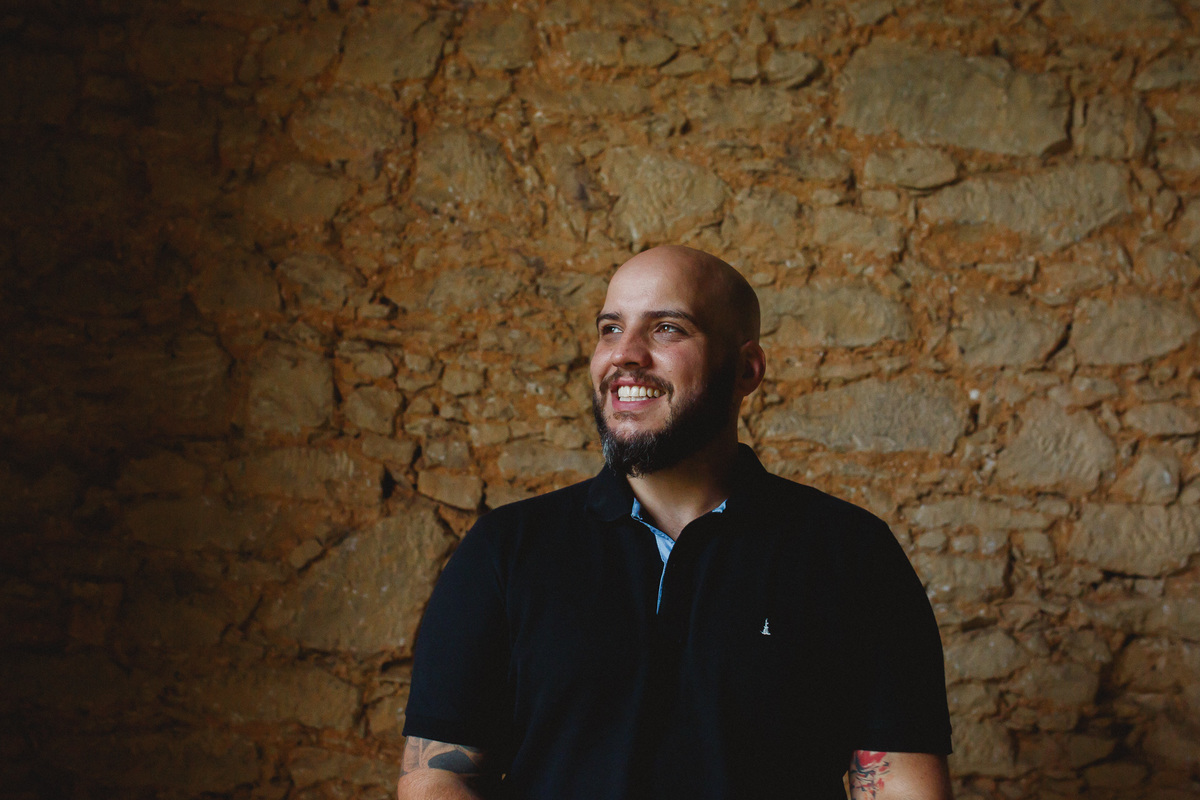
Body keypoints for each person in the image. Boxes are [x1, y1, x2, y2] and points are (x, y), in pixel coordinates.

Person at [397, 245, 954, 800]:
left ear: (746, 369)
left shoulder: (851, 554)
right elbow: (438, 777)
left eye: (667, 328)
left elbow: (902, 786)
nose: (626, 355)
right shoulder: (505, 551)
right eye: (610, 328)